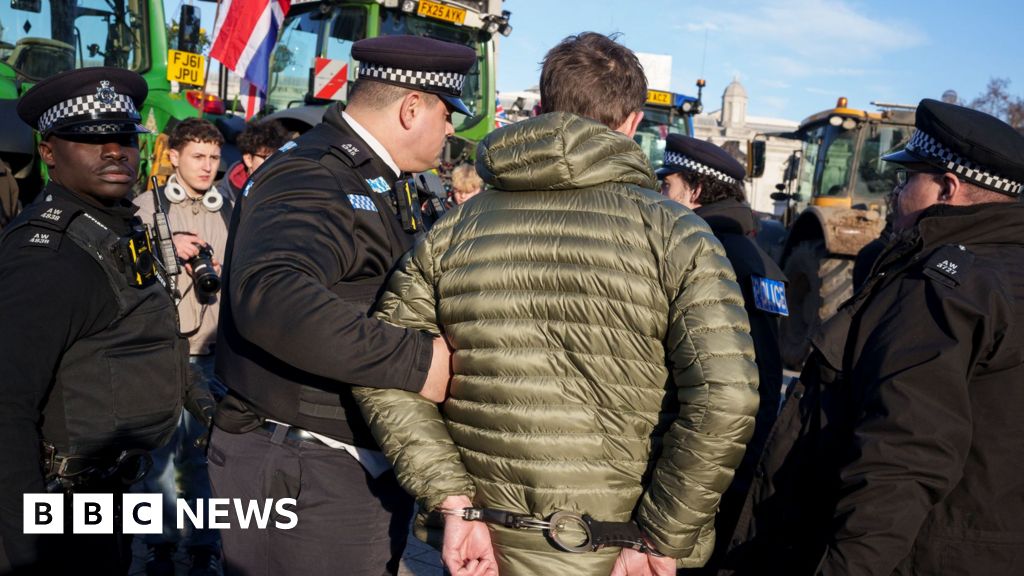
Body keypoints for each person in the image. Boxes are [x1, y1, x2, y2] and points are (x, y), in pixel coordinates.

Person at [353, 32, 759, 576]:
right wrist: (660, 537)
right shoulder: (679, 236)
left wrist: (452, 500)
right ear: (634, 122)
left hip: (486, 546)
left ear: (542, 110)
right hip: (614, 551)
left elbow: (383, 365)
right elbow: (726, 398)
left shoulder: (455, 230)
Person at [208, 35, 469, 576]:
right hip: (304, 469)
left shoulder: (378, 178)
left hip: (340, 465)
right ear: (411, 107)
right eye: (448, 114)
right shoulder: (314, 172)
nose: (451, 130)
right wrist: (419, 363)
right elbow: (273, 294)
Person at [746, 99, 1024, 575]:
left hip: (922, 552)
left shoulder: (943, 291)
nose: (897, 192)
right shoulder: (1003, 273)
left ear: (947, 189)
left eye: (909, 177)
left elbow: (903, 456)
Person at [0, 67, 186, 574]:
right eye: (90, 138)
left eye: (124, 137)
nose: (114, 151)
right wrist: (29, 550)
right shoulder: (50, 256)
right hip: (58, 510)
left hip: (105, 497)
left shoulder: (109, 225)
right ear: (48, 152)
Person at [656, 134, 786, 575]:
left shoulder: (707, 255)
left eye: (667, 186)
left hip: (695, 471)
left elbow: (744, 385)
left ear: (694, 191)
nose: (661, 196)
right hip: (729, 466)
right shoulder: (761, 261)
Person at [132, 117, 228, 576]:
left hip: (210, 353)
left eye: (213, 158)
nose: (208, 166)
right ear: (173, 156)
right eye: (198, 156)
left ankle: (205, 546)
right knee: (160, 457)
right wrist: (168, 247)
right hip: (160, 351)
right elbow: (126, 279)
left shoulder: (227, 208)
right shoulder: (144, 207)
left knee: (202, 455)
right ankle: (160, 545)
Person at [217, 119, 289, 201]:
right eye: (268, 158)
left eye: (277, 158)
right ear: (248, 159)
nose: (273, 165)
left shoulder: (287, 188)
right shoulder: (222, 198)